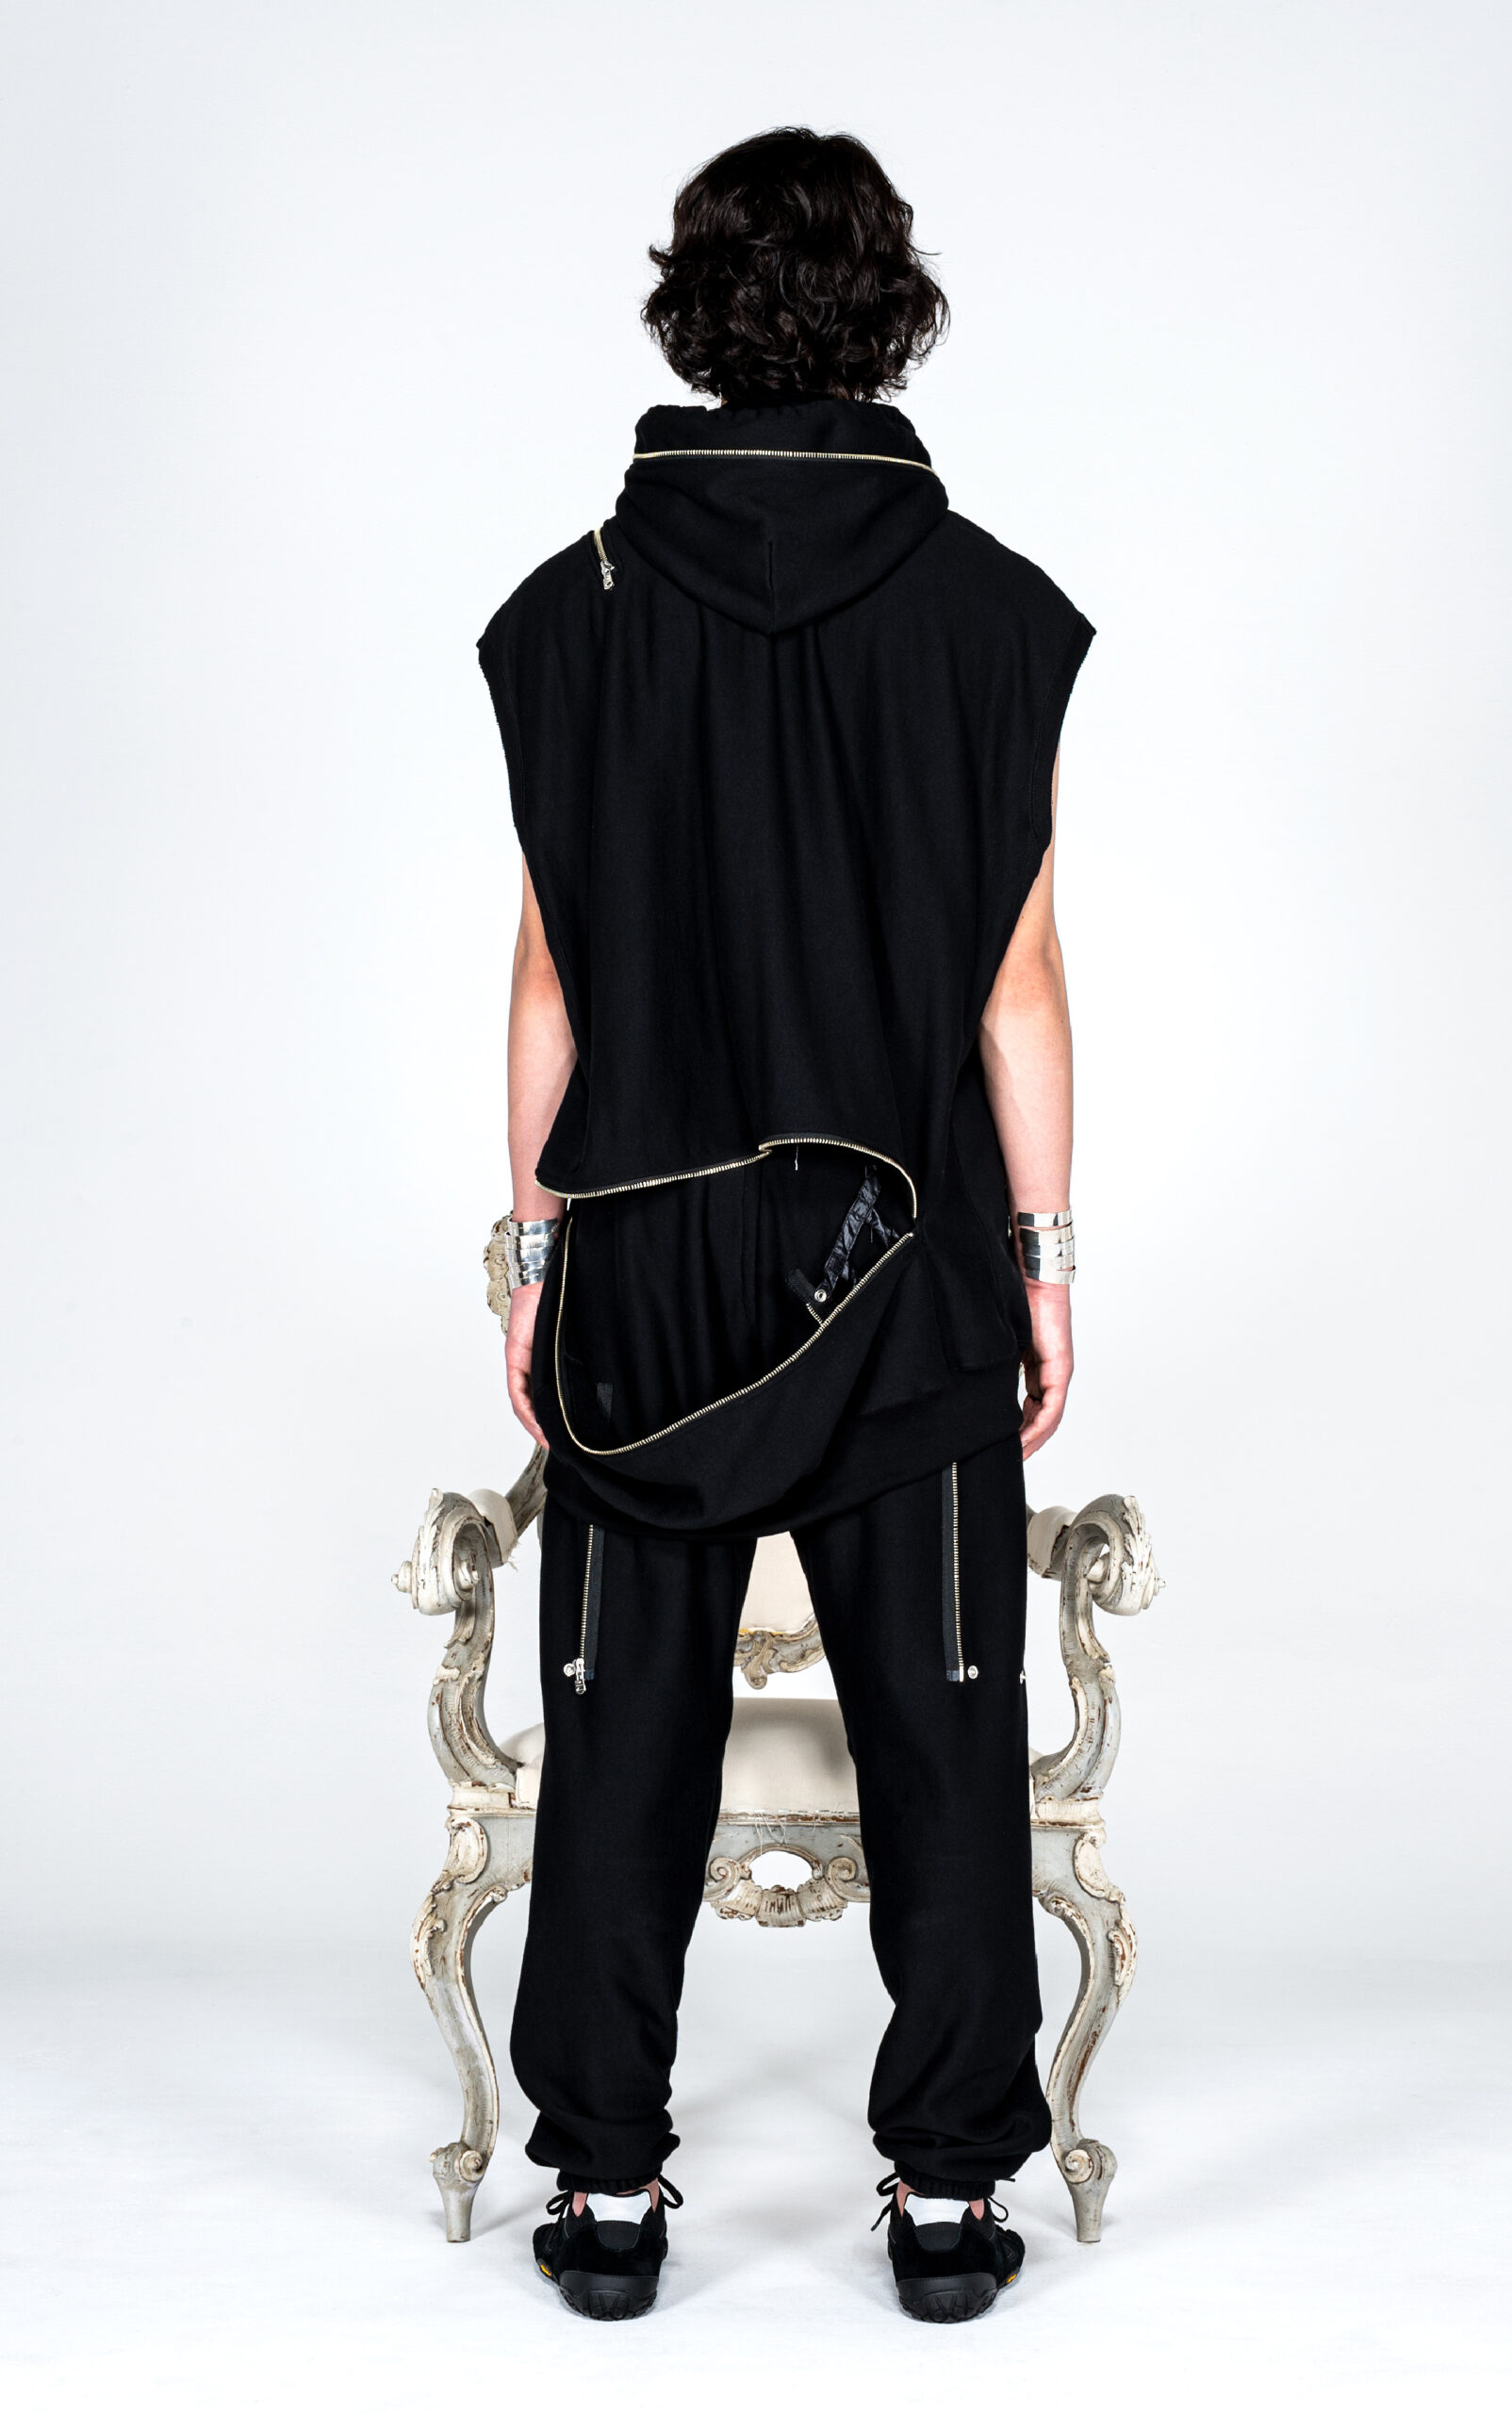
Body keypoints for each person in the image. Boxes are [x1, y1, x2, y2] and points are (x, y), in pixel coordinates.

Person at [476, 126, 1091, 2323]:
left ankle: (604, 2177)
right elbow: (1014, 987)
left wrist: (531, 1254)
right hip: (904, 1254)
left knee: (619, 1719)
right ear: (892, 316)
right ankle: (946, 2187)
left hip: (647, 1254)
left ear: (690, 313)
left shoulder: (571, 611)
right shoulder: (989, 615)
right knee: (941, 1719)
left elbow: (550, 984)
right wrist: (1040, 1258)